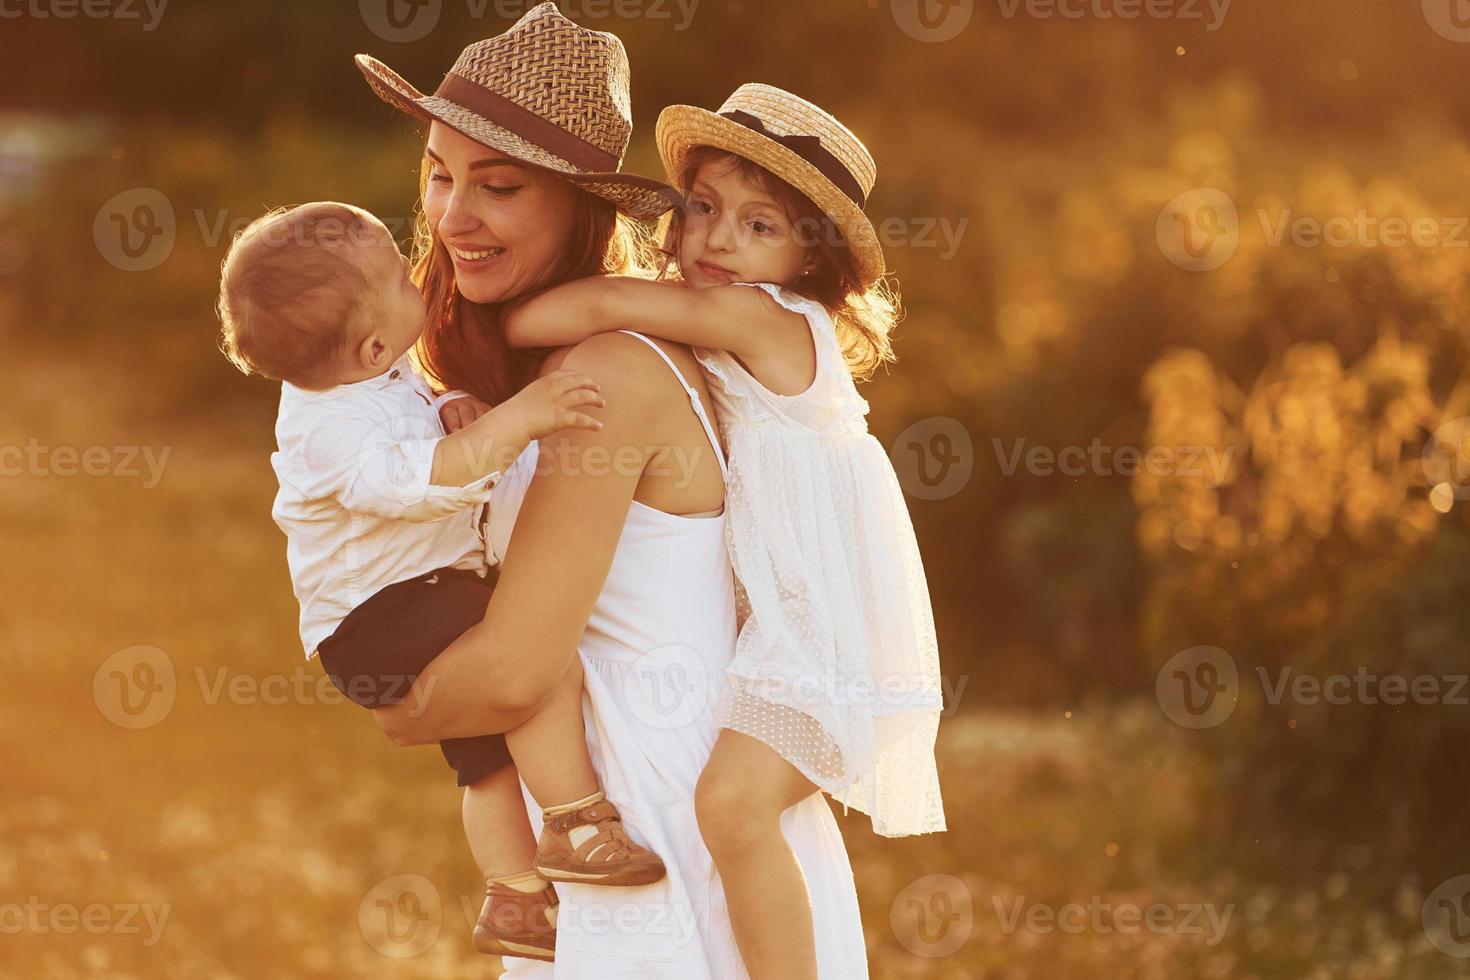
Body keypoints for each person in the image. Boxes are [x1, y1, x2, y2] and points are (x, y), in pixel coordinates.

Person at [354, 3, 869, 976]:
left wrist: (395, 696)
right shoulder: (530, 374)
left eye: (497, 185)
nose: (454, 213)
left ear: (583, 202)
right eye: (438, 171)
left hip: (674, 848)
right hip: (600, 848)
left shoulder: (617, 373)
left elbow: (511, 670)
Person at [502, 83, 948, 979]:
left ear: (809, 262)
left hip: (825, 634)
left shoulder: (762, 318)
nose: (716, 241)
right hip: (790, 622)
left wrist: (501, 320)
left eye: (760, 226)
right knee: (737, 812)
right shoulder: (729, 326)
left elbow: (585, 311)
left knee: (735, 809)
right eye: (703, 209)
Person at [215, 200, 667, 962]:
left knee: (485, 760)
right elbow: (421, 480)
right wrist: (519, 419)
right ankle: (576, 822)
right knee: (532, 652)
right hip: (378, 619)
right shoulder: (328, 433)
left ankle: (515, 897)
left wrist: (450, 400)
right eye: (399, 274)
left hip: (390, 612)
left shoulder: (361, 375)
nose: (413, 268)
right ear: (372, 343)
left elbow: (407, 405)